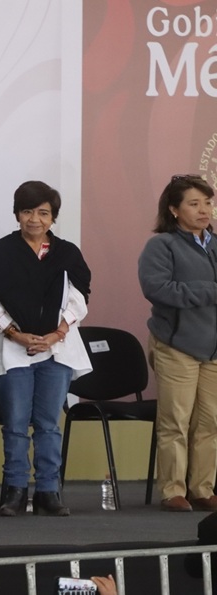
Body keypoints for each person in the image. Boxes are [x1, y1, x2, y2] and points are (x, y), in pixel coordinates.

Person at [0, 180, 91, 517]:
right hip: (15, 350)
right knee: (15, 423)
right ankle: (15, 490)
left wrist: (58, 332)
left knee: (49, 424)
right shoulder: (1, 252)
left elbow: (79, 297)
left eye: (43, 213)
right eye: (27, 211)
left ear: (53, 217)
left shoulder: (67, 253)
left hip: (57, 350)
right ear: (17, 214)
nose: (35, 219)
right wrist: (15, 334)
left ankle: (48, 491)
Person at [138, 174, 217, 513]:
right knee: (176, 422)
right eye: (194, 204)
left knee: (210, 423)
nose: (204, 210)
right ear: (174, 209)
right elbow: (158, 289)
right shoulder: (162, 246)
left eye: (207, 203)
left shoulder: (214, 244)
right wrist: (210, 291)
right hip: (176, 346)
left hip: (213, 349)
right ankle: (173, 490)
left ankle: (203, 489)